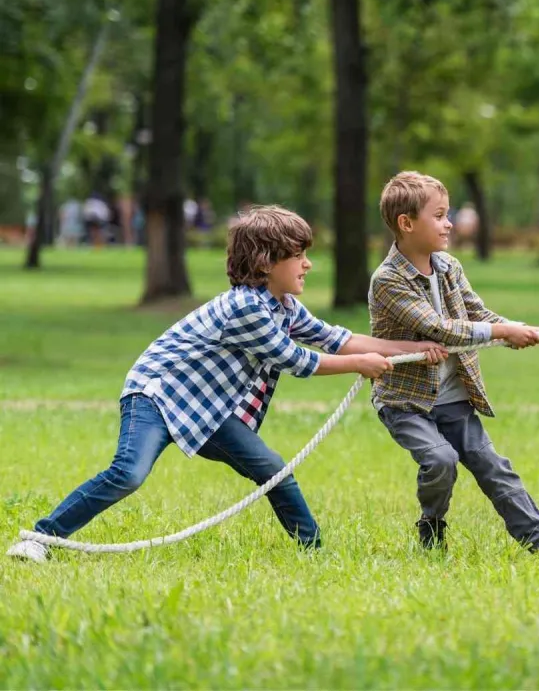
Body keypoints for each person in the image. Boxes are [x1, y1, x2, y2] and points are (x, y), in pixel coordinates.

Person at [6, 205, 447, 564]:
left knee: (273, 470)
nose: (308, 263)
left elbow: (340, 339)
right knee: (128, 474)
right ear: (266, 261)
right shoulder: (247, 309)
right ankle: (41, 537)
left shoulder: (284, 304)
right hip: (158, 394)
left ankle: (315, 554)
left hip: (207, 409)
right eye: (299, 255)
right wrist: (360, 365)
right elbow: (296, 359)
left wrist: (413, 345)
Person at [369, 171, 539, 558]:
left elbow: (479, 315)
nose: (449, 223)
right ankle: (432, 522)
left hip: (454, 399)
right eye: (440, 215)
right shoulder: (388, 279)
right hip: (406, 402)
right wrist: (503, 331)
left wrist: (533, 332)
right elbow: (438, 327)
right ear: (407, 223)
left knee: (493, 467)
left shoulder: (449, 268)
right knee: (440, 459)